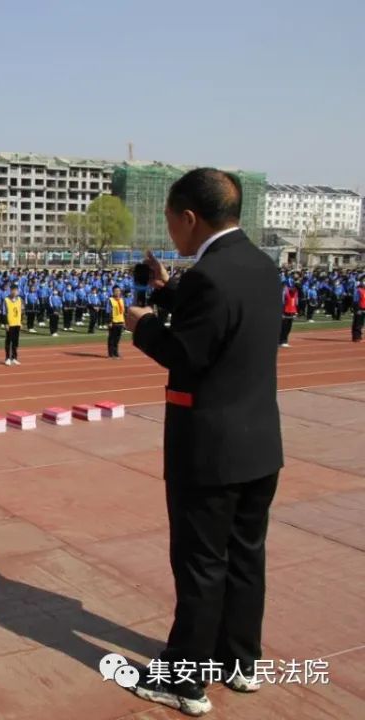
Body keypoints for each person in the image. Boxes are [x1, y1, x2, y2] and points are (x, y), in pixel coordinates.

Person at [125, 168, 283, 716]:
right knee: (245, 558)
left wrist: (142, 323)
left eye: (171, 221)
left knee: (200, 562)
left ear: (189, 217)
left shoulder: (213, 277)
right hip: (260, 446)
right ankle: (240, 662)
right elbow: (219, 318)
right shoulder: (261, 267)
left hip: (209, 450)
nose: (170, 232)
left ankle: (184, 678)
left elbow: (186, 355)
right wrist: (170, 290)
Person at [3, 283, 23, 366]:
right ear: (10, 291)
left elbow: (21, 312)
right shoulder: (6, 300)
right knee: (9, 341)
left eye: (16, 290)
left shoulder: (20, 300)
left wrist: (21, 322)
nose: (15, 292)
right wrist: (6, 323)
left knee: (15, 342)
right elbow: (4, 313)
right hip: (10, 323)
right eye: (13, 290)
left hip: (17, 323)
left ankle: (14, 358)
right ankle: (7, 358)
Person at [107, 285, 126, 359]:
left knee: (117, 339)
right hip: (113, 322)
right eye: (116, 291)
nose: (117, 292)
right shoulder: (110, 300)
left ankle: (116, 352)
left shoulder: (121, 300)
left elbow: (123, 312)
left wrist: (124, 321)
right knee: (111, 338)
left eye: (118, 291)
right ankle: (111, 354)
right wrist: (109, 321)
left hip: (120, 321)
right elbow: (108, 311)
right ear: (113, 292)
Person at [278, 280, 298, 348]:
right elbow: (281, 303)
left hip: (291, 312)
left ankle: (284, 340)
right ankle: (282, 341)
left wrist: (295, 312)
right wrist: (281, 313)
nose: (293, 289)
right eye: (292, 287)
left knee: (289, 328)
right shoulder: (284, 292)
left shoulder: (295, 292)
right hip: (285, 311)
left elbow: (294, 303)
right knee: (284, 327)